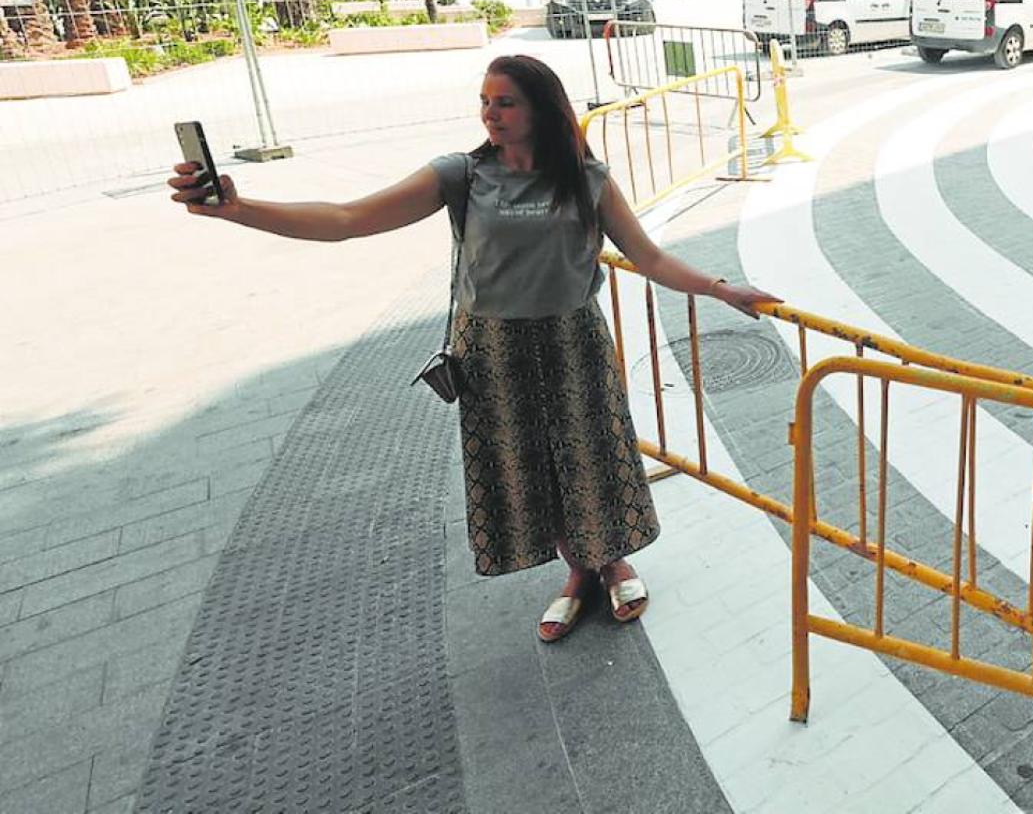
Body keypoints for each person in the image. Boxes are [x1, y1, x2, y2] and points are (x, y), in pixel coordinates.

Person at [166, 54, 778, 643]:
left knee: (590, 455)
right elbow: (349, 217)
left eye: (506, 103)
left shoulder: (586, 179)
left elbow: (649, 257)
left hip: (573, 339)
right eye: (485, 102)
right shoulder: (461, 174)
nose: (491, 114)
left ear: (542, 109)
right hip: (492, 348)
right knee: (528, 466)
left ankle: (609, 561)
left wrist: (722, 290)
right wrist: (239, 210)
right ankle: (577, 570)